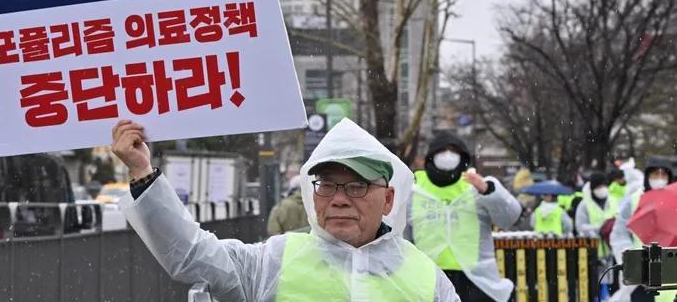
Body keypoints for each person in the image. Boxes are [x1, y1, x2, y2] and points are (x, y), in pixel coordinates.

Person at [112, 119, 460, 301]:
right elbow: (189, 254)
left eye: (357, 186)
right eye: (327, 185)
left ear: (387, 199)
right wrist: (143, 173)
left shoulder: (428, 280)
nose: (339, 199)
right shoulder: (271, 262)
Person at [406, 131, 521, 302]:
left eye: (453, 151)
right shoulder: (413, 189)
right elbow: (403, 239)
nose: (448, 155)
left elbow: (510, 217)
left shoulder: (477, 185)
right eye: (442, 150)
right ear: (431, 156)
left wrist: (488, 190)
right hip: (429, 281)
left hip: (476, 282)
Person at [610, 157, 676, 302]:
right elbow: (619, 234)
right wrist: (629, 258)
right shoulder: (634, 201)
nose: (659, 179)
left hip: (671, 272)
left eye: (663, 175)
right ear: (647, 177)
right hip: (641, 274)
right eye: (655, 174)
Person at [574, 172, 616, 294]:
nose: (602, 189)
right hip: (591, 253)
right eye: (598, 187)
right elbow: (580, 227)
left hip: (612, 252)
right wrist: (599, 229)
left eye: (604, 186)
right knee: (593, 287)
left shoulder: (613, 201)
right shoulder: (584, 205)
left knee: (611, 286)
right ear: (592, 189)